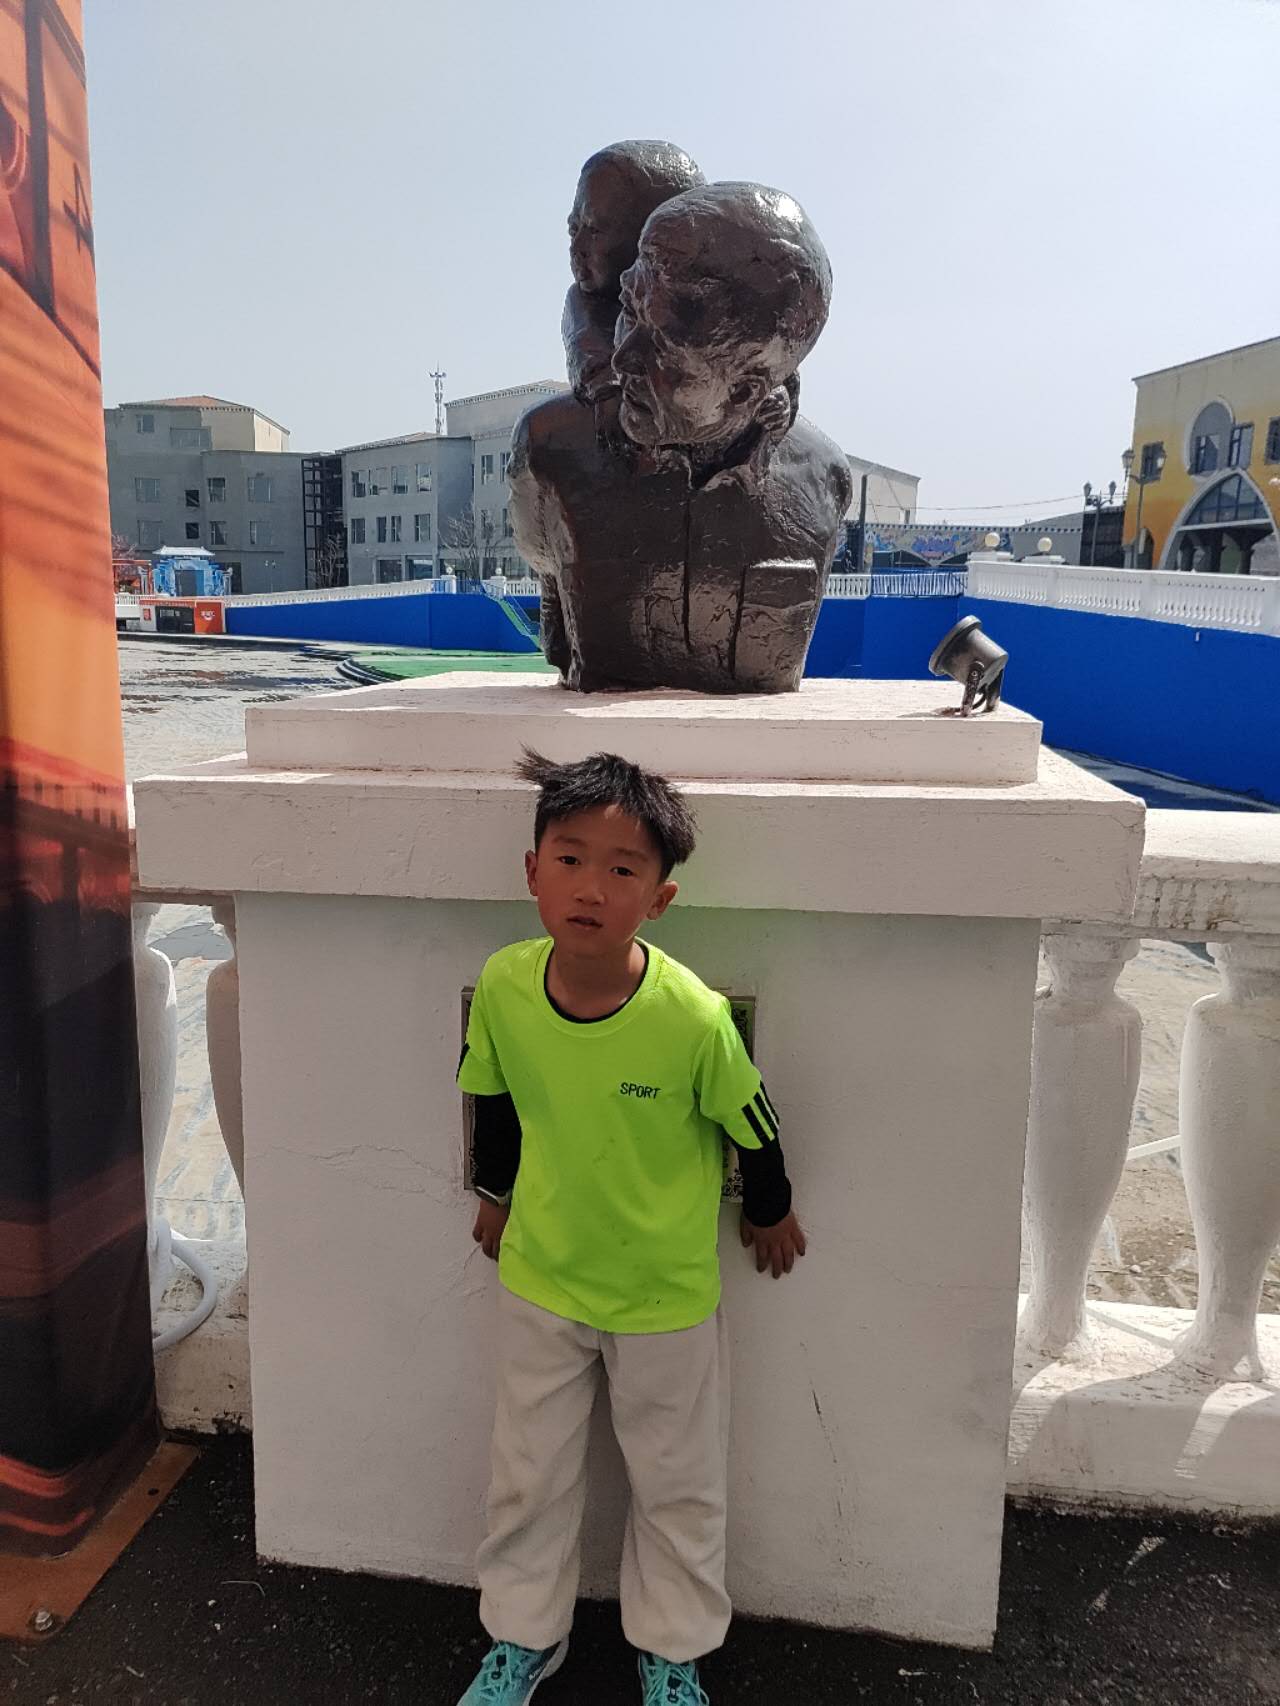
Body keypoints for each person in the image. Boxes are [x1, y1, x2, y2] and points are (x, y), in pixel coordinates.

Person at [456, 749, 804, 1706]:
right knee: (528, 1474)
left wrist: (770, 1208)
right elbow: (493, 1099)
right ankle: (523, 1638)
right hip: (542, 1278)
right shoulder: (505, 986)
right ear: (532, 871)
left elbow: (754, 1121)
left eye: (622, 869)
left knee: (677, 1483)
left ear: (660, 898)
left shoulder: (691, 1016)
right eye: (570, 859)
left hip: (665, 1297)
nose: (591, 888)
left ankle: (673, 1651)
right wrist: (495, 1194)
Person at [510, 180, 852, 695]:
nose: (621, 359)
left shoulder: (823, 481)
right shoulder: (547, 451)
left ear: (746, 391)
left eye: (665, 349)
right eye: (628, 310)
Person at [561, 141, 705, 420]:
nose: (576, 246)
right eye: (573, 229)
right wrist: (606, 388)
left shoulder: (709, 297)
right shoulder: (586, 305)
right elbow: (598, 367)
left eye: (594, 230)